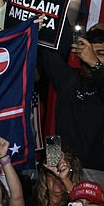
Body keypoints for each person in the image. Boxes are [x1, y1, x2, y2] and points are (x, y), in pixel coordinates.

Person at [37, 27, 104, 181]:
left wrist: (96, 64)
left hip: (97, 173)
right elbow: (48, 51)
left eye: (100, 54)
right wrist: (42, 28)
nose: (91, 57)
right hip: (61, 168)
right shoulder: (68, 79)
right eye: (89, 52)